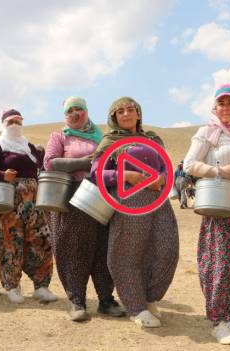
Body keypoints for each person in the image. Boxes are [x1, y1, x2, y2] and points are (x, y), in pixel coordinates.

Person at [90, 97, 179, 328]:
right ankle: (136, 306)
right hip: (129, 198)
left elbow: (166, 168)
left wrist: (162, 178)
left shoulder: (152, 139)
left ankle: (149, 297)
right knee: (127, 252)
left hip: (158, 199)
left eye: (131, 110)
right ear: (114, 117)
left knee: (167, 248)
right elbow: (96, 173)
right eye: (121, 111)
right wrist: (126, 175)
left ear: (138, 114)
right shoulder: (110, 140)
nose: (126, 114)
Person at [183, 83, 230, 345]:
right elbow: (189, 165)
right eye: (221, 104)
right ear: (214, 107)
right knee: (224, 260)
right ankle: (219, 320)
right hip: (223, 199)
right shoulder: (208, 132)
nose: (226, 108)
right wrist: (219, 171)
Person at [44, 96, 126, 321]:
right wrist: (84, 162)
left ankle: (106, 300)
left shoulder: (101, 137)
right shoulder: (59, 136)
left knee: (102, 247)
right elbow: (50, 162)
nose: (75, 113)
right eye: (70, 110)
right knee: (73, 249)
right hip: (71, 197)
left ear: (87, 111)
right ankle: (76, 300)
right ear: (65, 115)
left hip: (101, 194)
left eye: (79, 109)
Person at [0, 109, 57, 304]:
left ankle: (41, 286)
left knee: (40, 240)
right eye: (10, 121)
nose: (15, 124)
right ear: (3, 123)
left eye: (18, 121)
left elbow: (41, 170)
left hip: (34, 202)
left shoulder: (29, 147)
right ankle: (12, 286)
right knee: (10, 242)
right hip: (7, 203)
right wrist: (1, 174)